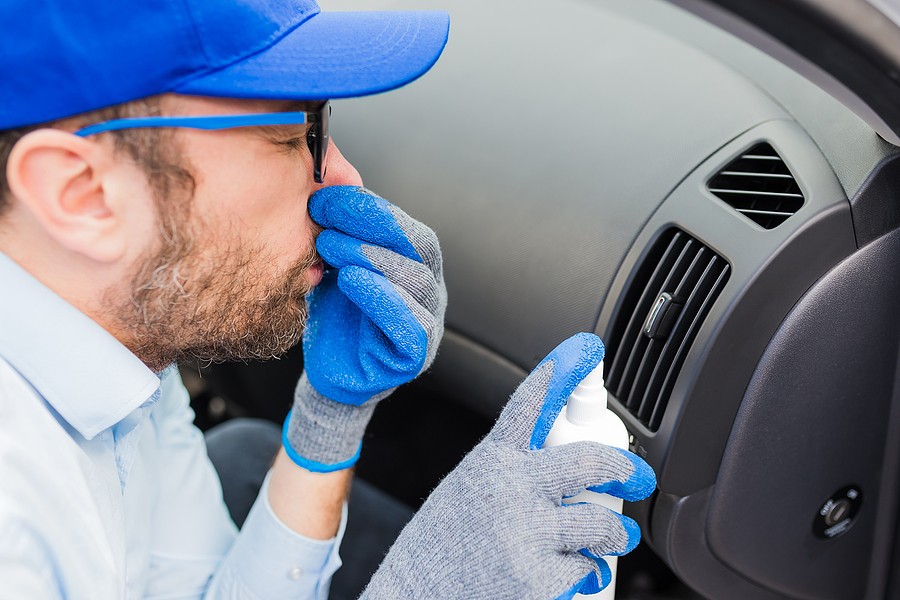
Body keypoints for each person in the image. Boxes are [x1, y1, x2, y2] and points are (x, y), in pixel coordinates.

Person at [0, 0, 656, 598]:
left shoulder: (127, 342)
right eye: (294, 138)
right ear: (81, 194)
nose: (344, 178)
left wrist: (328, 422)